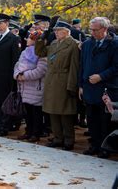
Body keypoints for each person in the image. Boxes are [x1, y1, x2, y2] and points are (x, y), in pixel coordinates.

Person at [35, 21, 80, 151]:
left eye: (58, 30)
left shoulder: (73, 44)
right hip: (51, 81)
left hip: (63, 81)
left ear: (66, 31)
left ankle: (68, 140)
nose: (55, 33)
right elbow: (40, 52)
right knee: (52, 112)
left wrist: (71, 86)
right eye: (54, 31)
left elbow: (74, 67)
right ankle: (57, 138)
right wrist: (40, 39)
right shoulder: (54, 43)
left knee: (65, 113)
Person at [79, 17, 118, 158]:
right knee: (92, 120)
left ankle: (105, 148)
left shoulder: (115, 44)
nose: (92, 33)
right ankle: (94, 145)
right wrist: (81, 85)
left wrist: (101, 76)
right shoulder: (88, 43)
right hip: (89, 88)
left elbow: (116, 67)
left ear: (104, 29)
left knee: (105, 121)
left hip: (106, 88)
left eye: (95, 30)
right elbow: (82, 65)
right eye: (91, 30)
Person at [14, 30, 47, 142]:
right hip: (24, 87)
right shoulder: (25, 51)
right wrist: (17, 74)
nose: (27, 39)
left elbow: (41, 70)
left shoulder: (42, 53)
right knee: (27, 111)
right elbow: (18, 64)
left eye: (29, 38)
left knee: (36, 112)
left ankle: (36, 133)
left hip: (35, 87)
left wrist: (25, 76)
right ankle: (28, 131)